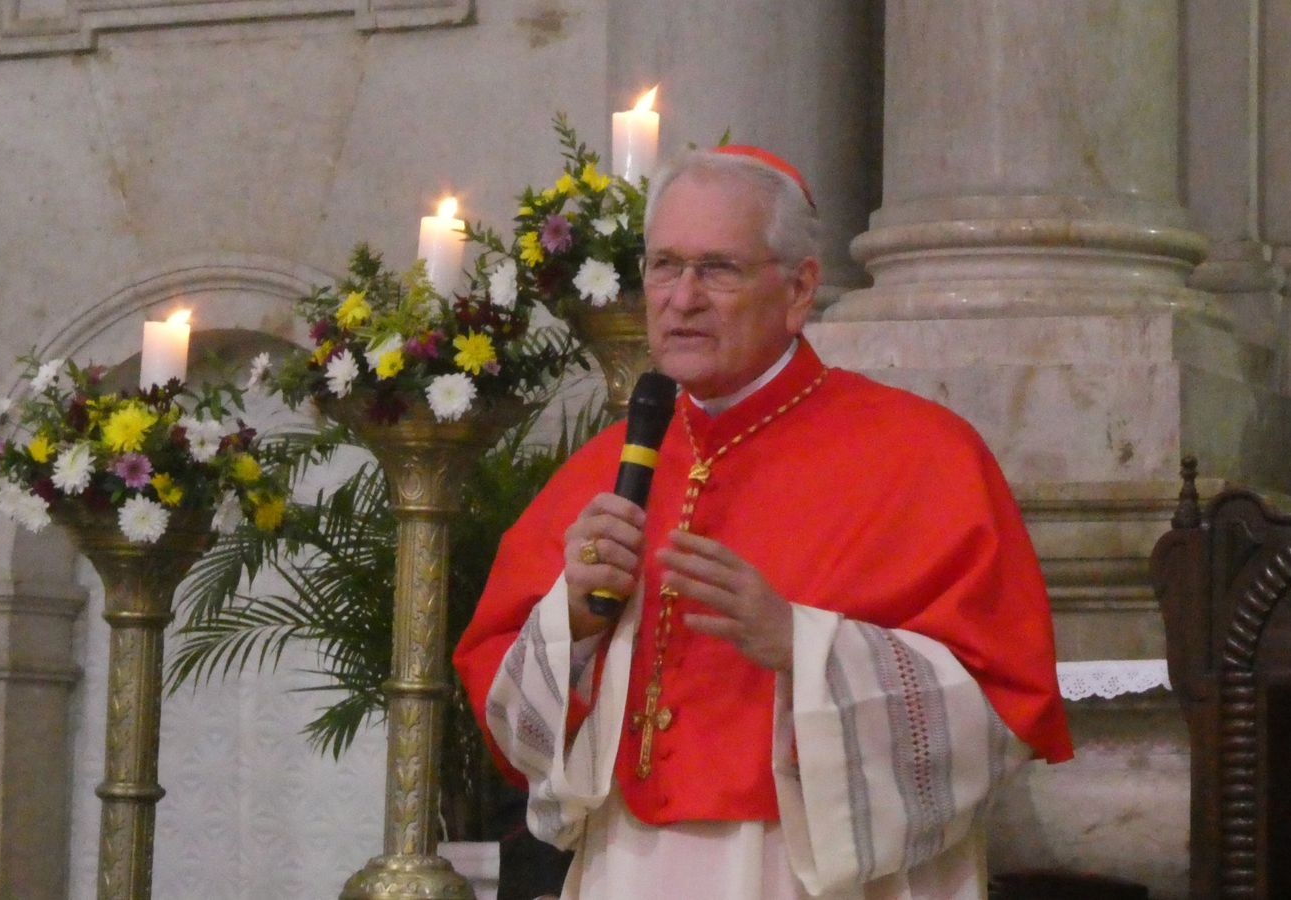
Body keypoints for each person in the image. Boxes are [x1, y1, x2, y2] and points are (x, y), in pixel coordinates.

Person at [453, 146, 1072, 900]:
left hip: (818, 872)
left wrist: (801, 645)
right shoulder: (603, 468)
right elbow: (500, 697)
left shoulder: (921, 456)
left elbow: (1003, 709)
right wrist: (573, 624)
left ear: (799, 288)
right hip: (632, 867)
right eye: (663, 266)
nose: (681, 299)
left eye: (718, 269)